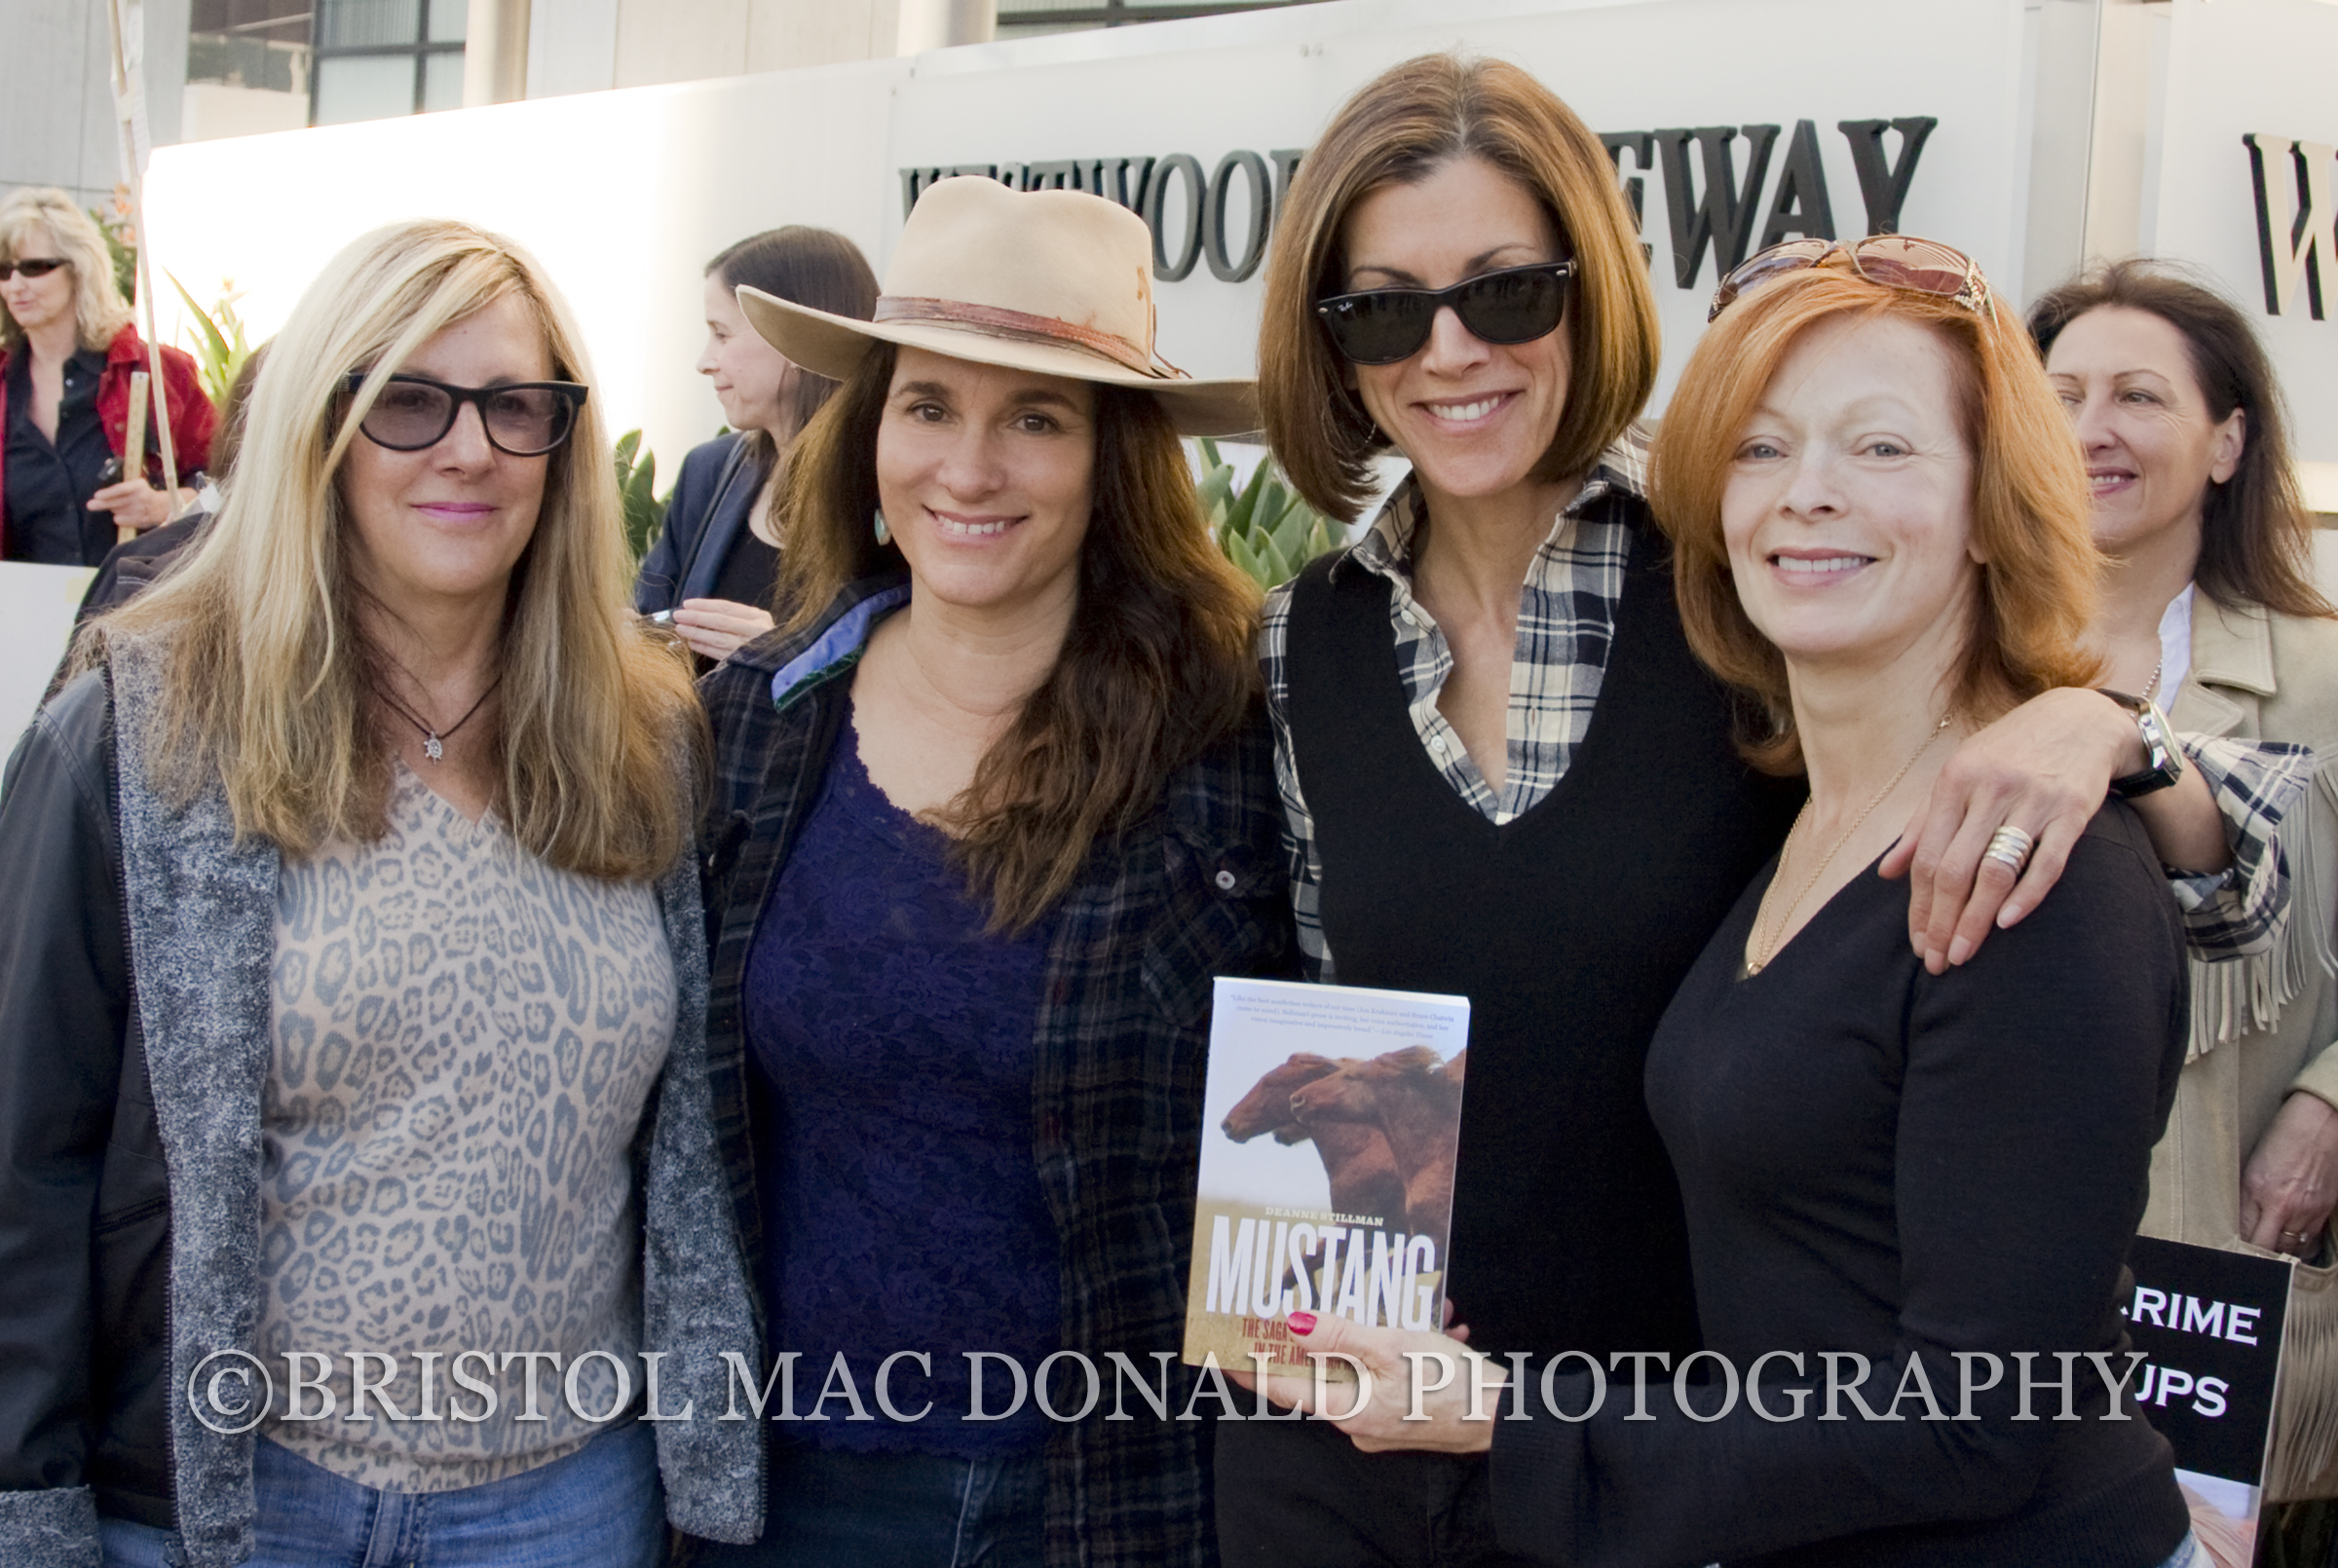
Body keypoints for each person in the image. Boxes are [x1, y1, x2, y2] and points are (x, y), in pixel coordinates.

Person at [1224, 53, 2297, 1566]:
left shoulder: (1731, 571)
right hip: (1422, 1418)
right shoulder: (1305, 640)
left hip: (1722, 1456)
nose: (1450, 350)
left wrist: (2107, 730)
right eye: (1383, 308)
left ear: (1589, 289)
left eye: (1507, 293)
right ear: (1332, 346)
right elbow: (1349, 1010)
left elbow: (2212, 874)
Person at [0, 218, 760, 1568]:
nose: (466, 447)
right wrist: (32, 1508)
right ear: (317, 429)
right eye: (405, 400)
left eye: (515, 406)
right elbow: (27, 1160)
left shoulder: (648, 738)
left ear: (563, 444)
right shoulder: (143, 730)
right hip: (236, 1502)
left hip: (568, 1502)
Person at [689, 173, 1290, 1566]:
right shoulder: (758, 725)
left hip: (1121, 1489)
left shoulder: (1240, 738)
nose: (967, 468)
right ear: (872, 431)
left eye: (1035, 417)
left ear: (1116, 456)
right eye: (928, 406)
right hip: (792, 1490)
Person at [2034, 260, 2338, 1519]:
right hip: (1994, 1266)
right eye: (2060, 393)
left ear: (2226, 442)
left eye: (2138, 398)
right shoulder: (1947, 657)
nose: (2091, 429)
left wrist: (2330, 1104)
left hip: (2221, 1258)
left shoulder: (2321, 672)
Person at [634, 226, 879, 661]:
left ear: (795, 337)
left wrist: (784, 656)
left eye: (722, 333)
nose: (705, 362)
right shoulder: (707, 472)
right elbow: (649, 621)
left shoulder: (890, 494)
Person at [0, 187, 214, 564]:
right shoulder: (6, 386)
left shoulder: (156, 373)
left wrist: (163, 505)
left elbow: (233, 487)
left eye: (34, 267)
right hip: (22, 614)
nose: (15, 285)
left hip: (134, 609)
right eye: (3, 270)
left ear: (79, 269)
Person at [73, 340, 269, 622]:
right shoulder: (138, 573)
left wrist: (164, 503)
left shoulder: (156, 367)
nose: (14, 292)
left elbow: (208, 470)